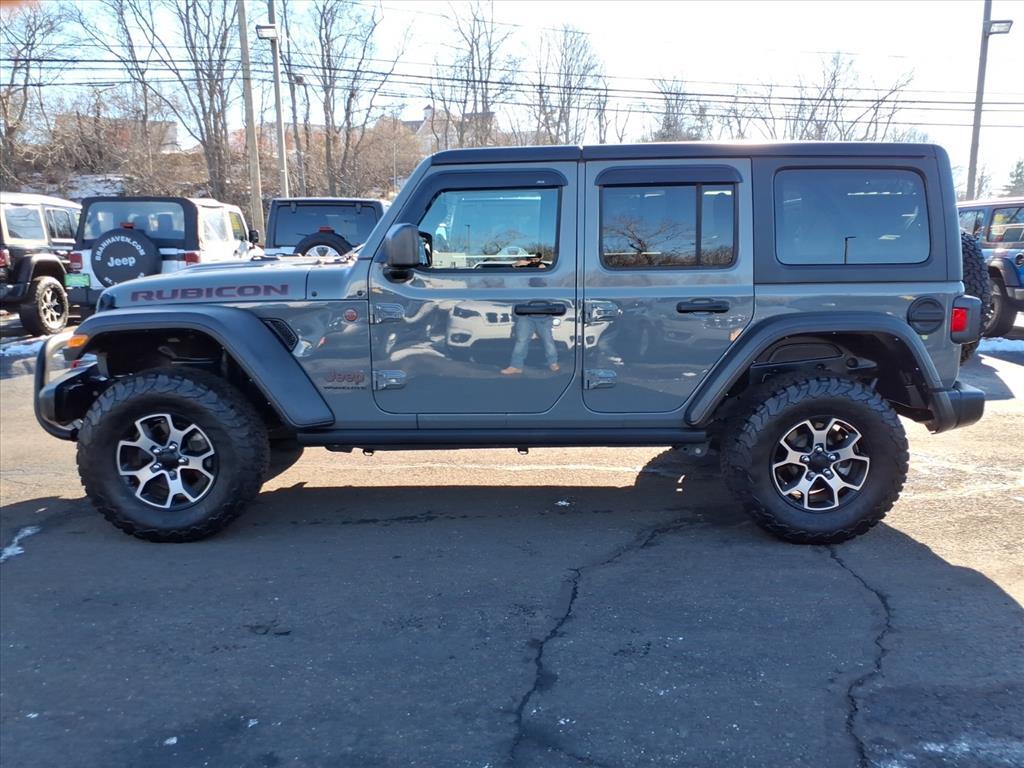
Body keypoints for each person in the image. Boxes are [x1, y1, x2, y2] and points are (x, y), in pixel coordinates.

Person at [501, 253, 559, 375]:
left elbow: (553, 287)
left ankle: (553, 363)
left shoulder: (549, 270)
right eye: (531, 259)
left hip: (543, 314)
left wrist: (544, 270)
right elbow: (509, 280)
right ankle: (516, 366)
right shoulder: (521, 273)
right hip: (525, 313)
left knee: (548, 341)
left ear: (540, 259)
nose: (534, 261)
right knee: (521, 341)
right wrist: (516, 265)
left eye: (536, 259)